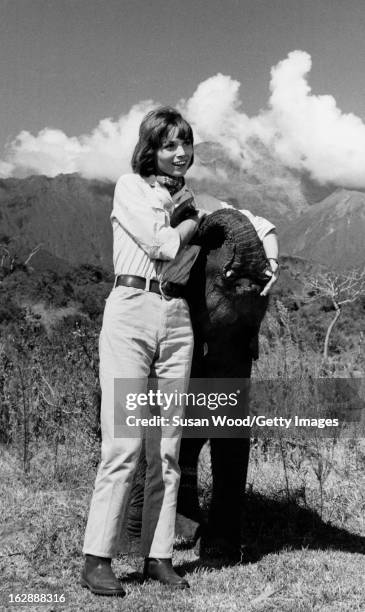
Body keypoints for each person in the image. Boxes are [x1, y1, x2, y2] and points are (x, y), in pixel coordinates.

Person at [81, 106, 279, 597]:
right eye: (169, 145)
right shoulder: (131, 188)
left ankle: (158, 555)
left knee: (168, 448)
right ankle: (97, 558)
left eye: (186, 144)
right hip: (132, 308)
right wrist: (196, 223)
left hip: (177, 320)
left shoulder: (188, 200)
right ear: (151, 149)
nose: (180, 153)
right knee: (125, 444)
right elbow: (161, 244)